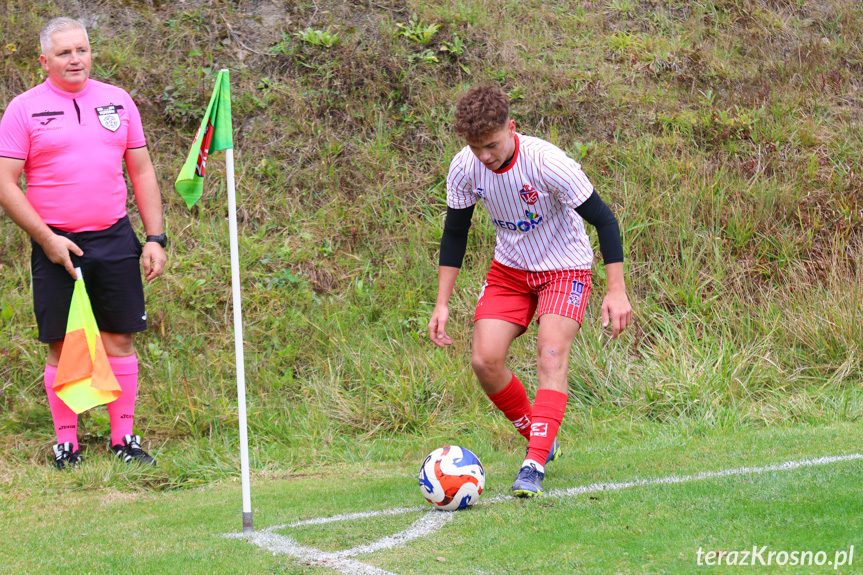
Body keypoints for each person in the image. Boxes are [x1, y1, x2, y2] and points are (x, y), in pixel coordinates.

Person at [428, 84, 632, 497]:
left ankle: (534, 463)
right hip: (510, 270)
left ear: (512, 128)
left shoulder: (547, 163)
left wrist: (616, 291)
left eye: (491, 144)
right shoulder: (464, 167)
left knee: (551, 353)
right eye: (475, 146)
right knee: (485, 361)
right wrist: (442, 303)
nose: (484, 155)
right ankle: (540, 433)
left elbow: (605, 220)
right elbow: (455, 233)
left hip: (565, 268)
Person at [0, 17, 167, 469]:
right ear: (44, 61)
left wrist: (154, 237)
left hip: (115, 237)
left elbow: (143, 172)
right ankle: (67, 445)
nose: (75, 59)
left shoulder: (117, 100)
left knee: (119, 339)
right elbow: (6, 183)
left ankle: (123, 439)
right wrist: (47, 240)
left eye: (82, 50)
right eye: (64, 53)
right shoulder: (23, 108)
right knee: (62, 343)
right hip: (55, 242)